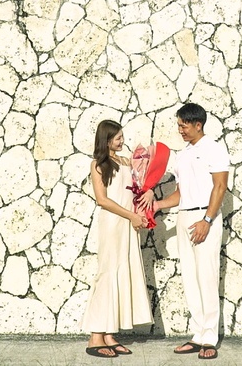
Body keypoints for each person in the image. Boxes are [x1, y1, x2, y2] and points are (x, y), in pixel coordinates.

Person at [152, 103, 230, 361]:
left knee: (207, 277)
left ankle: (210, 338)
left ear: (198, 124)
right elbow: (180, 193)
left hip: (205, 217)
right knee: (190, 279)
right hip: (185, 216)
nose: (180, 130)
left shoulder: (214, 149)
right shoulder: (183, 154)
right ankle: (197, 335)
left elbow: (220, 187)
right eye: (178, 125)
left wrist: (207, 219)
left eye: (184, 125)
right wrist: (158, 205)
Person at [80, 120, 153, 358]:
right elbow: (102, 200)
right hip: (113, 223)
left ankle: (110, 334)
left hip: (129, 223)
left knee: (122, 273)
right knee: (107, 275)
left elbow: (137, 188)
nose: (122, 141)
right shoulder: (98, 164)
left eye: (122, 137)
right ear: (107, 139)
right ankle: (95, 336)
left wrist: (149, 192)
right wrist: (131, 215)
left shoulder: (126, 161)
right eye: (117, 138)